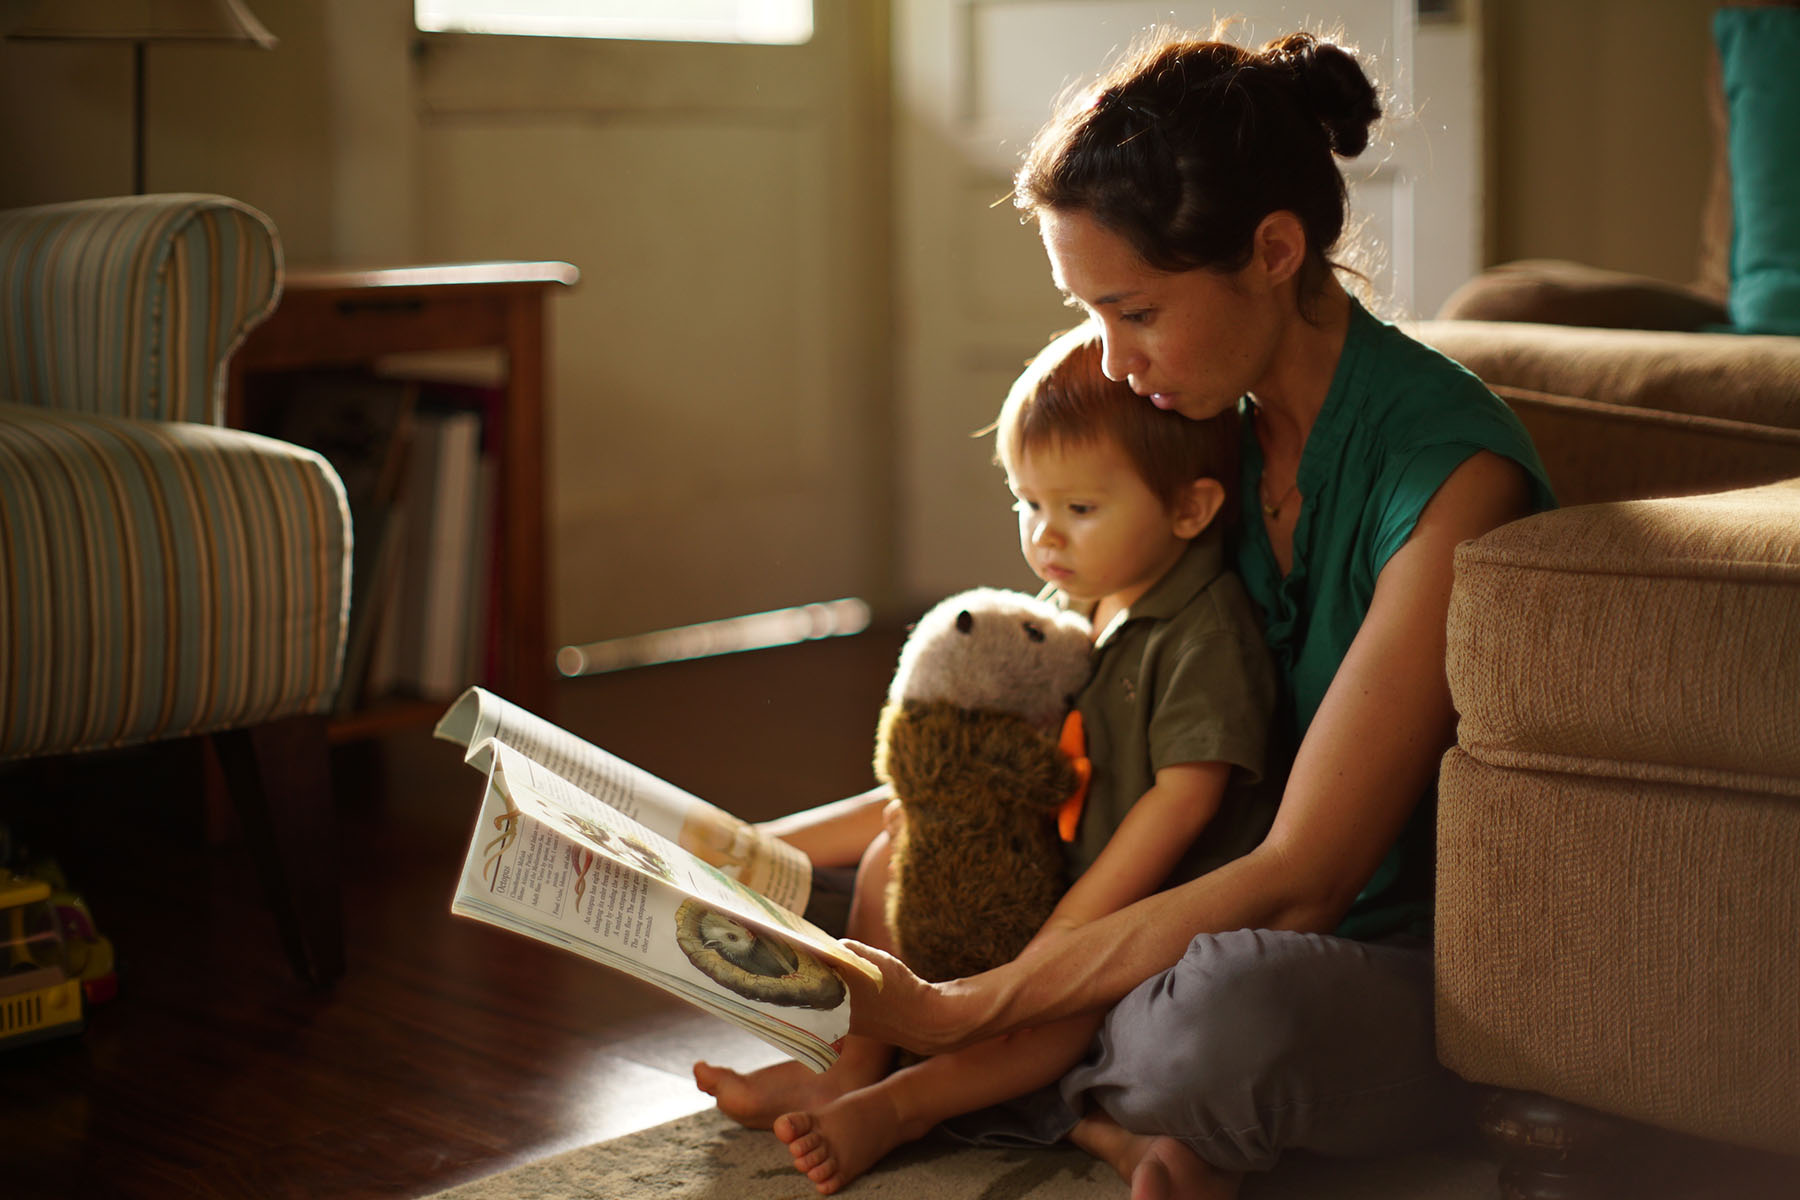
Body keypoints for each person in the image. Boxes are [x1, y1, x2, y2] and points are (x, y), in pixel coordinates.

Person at [717, 24, 1558, 1200]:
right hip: (1154, 899)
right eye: (1090, 313)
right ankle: (1066, 1097)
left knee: (1214, 1027)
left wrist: (968, 1006)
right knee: (850, 888)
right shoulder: (1200, 416)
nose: (1108, 361)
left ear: (1274, 250)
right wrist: (724, 851)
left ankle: (968, 1072)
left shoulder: (1451, 481)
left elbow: (1303, 878)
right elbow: (1081, 714)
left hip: (1358, 961)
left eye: (1136, 312)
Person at [697, 321, 1280, 1194]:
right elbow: (939, 785)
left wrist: (1065, 940)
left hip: (1135, 918)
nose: (1045, 536)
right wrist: (749, 845)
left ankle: (900, 1106)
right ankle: (854, 1065)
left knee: (1044, 1023)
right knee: (901, 853)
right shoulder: (1073, 609)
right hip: (1042, 884)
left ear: (1191, 509)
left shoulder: (1204, 632)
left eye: (1079, 510)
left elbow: (1185, 801)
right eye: (1028, 503)